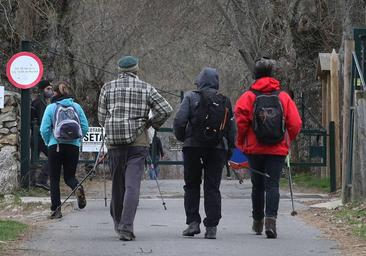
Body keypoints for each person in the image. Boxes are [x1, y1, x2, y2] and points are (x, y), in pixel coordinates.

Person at [98, 55, 172, 241]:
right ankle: (126, 227)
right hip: (138, 144)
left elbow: (101, 117)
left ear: (119, 70)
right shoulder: (146, 88)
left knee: (117, 184)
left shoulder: (107, 87)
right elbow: (166, 109)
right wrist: (150, 124)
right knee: (132, 186)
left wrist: (112, 127)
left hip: (115, 143)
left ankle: (117, 222)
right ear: (136, 70)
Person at [234, 57, 302, 239]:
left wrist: (241, 142)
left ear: (255, 75)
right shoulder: (283, 97)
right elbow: (295, 123)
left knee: (257, 186)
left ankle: (258, 221)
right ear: (272, 74)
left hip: (254, 149)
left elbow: (240, 122)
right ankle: (271, 221)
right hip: (277, 149)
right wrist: (287, 140)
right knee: (273, 185)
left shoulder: (248, 97)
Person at [174, 67, 235, 239]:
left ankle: (193, 223)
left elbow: (179, 120)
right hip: (217, 149)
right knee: (212, 187)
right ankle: (212, 227)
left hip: (193, 147)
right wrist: (230, 149)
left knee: (192, 185)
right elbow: (231, 129)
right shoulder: (225, 101)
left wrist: (182, 138)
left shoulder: (190, 96)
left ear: (199, 82)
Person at [40, 81, 89, 219]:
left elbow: (44, 129)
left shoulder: (51, 108)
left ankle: (56, 210)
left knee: (54, 179)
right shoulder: (76, 106)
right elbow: (85, 127)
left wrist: (48, 141)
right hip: (72, 147)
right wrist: (76, 141)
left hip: (55, 146)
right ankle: (77, 187)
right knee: (69, 177)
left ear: (55, 93)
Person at [31, 80, 53, 190]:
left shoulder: (40, 102)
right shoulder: (40, 103)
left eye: (51, 89)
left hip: (36, 136)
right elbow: (42, 122)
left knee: (33, 159)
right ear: (41, 90)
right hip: (39, 136)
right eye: (47, 89)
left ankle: (32, 181)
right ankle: (42, 180)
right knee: (53, 156)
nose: (50, 91)